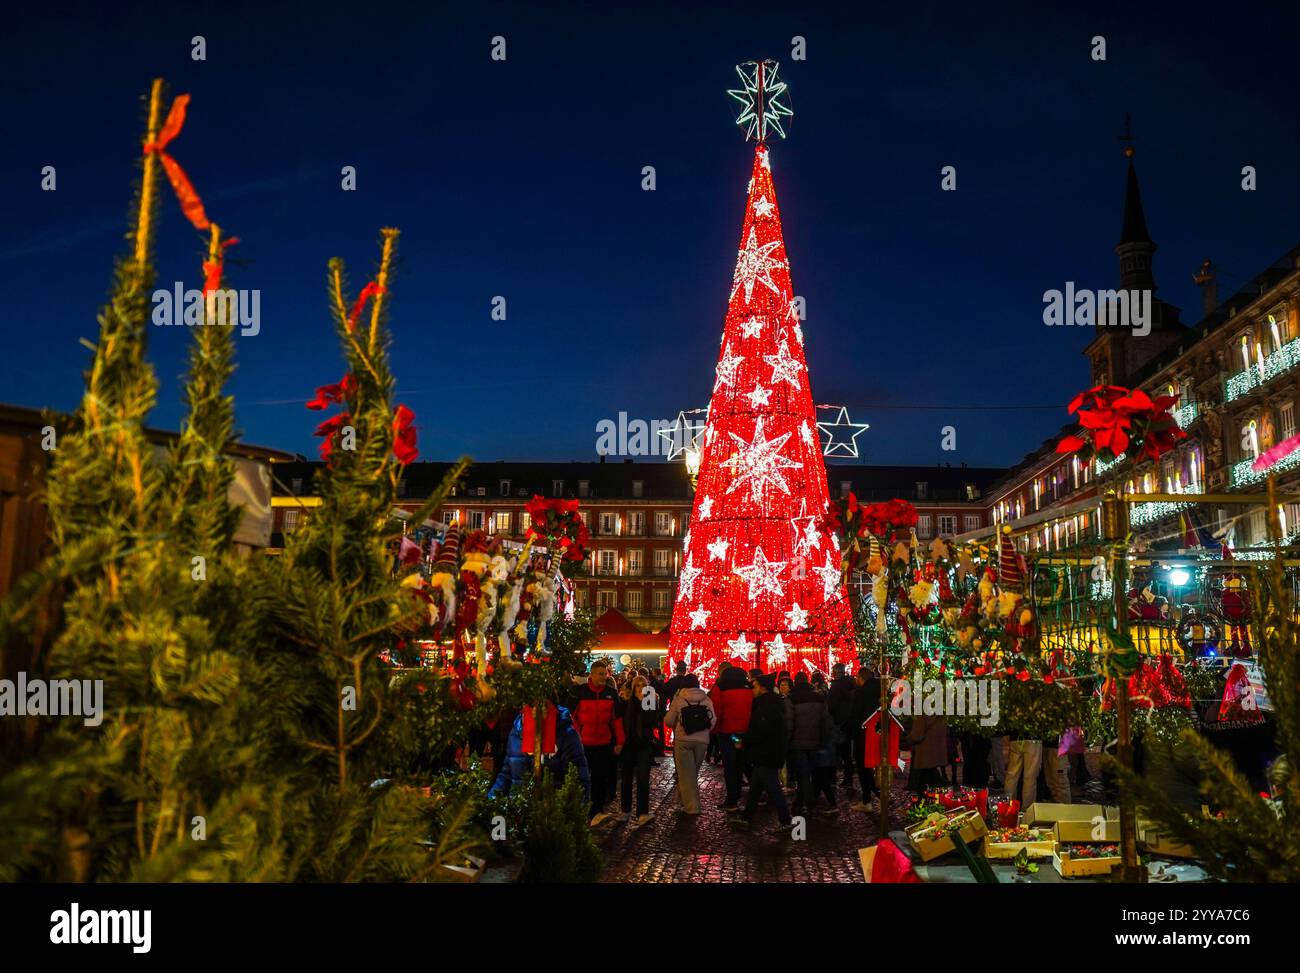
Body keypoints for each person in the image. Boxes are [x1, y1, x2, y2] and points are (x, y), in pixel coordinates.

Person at [488, 704, 590, 800]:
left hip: (552, 812)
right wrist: (490, 801)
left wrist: (575, 812)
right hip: (519, 811)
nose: (535, 711)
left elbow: (579, 780)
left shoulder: (566, 735)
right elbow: (507, 774)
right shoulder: (516, 733)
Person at [732, 673, 792, 833]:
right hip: (768, 751)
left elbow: (761, 730)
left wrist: (744, 741)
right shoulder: (771, 703)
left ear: (762, 687)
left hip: (767, 752)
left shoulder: (766, 705)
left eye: (754, 686)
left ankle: (786, 821)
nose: (752, 689)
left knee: (773, 787)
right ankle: (746, 816)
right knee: (756, 786)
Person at [571, 660, 625, 824]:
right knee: (582, 778)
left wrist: (620, 742)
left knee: (600, 778)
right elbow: (571, 717)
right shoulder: (579, 692)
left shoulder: (611, 693)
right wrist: (576, 737)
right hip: (583, 744)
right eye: (600, 674)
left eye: (605, 674)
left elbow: (617, 720)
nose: (604, 677)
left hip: (603, 743)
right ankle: (580, 810)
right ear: (592, 674)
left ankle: (597, 811)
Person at [664, 673, 715, 815]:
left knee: (687, 774)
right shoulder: (706, 699)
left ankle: (693, 808)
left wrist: (676, 724)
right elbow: (713, 720)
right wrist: (704, 731)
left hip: (683, 740)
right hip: (702, 741)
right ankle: (681, 799)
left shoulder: (679, 699)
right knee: (691, 773)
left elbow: (668, 720)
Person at [709, 661, 753, 810]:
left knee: (729, 765)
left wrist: (714, 730)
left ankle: (732, 800)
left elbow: (717, 710)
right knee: (740, 763)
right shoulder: (749, 688)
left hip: (727, 733)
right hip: (742, 733)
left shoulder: (720, 687)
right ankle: (739, 795)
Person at [788, 673, 829, 815]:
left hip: (797, 742)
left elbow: (789, 723)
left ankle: (807, 802)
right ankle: (802, 801)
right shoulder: (818, 698)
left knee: (802, 774)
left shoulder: (791, 699)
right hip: (816, 740)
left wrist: (787, 741)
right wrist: (824, 738)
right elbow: (825, 720)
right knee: (812, 771)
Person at [619, 675, 658, 827]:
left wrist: (646, 702)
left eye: (643, 685)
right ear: (633, 687)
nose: (640, 688)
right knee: (626, 778)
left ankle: (642, 812)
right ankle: (625, 810)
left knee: (643, 779)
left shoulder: (650, 702)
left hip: (644, 745)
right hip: (629, 745)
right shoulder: (627, 703)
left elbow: (652, 721)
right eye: (637, 685)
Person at [848, 666, 882, 811]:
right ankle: (874, 796)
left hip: (862, 734)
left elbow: (855, 715)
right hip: (877, 733)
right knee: (871, 767)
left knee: (864, 767)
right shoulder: (879, 690)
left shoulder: (860, 693)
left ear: (861, 679)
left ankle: (870, 798)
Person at [827, 663, 857, 788]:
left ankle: (833, 778)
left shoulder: (836, 686)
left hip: (839, 722)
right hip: (850, 722)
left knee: (836, 752)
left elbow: (832, 706)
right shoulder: (852, 685)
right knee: (847, 754)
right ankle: (848, 777)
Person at [907, 713, 948, 792]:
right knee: (932, 778)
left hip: (924, 753)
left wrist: (908, 738)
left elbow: (917, 735)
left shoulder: (921, 713)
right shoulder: (941, 713)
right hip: (936, 752)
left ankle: (923, 801)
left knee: (923, 783)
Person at [1004, 734, 1043, 807]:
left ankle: (1008, 807)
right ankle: (1027, 809)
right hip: (1033, 739)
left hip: (1015, 738)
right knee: (1030, 778)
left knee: (1011, 776)